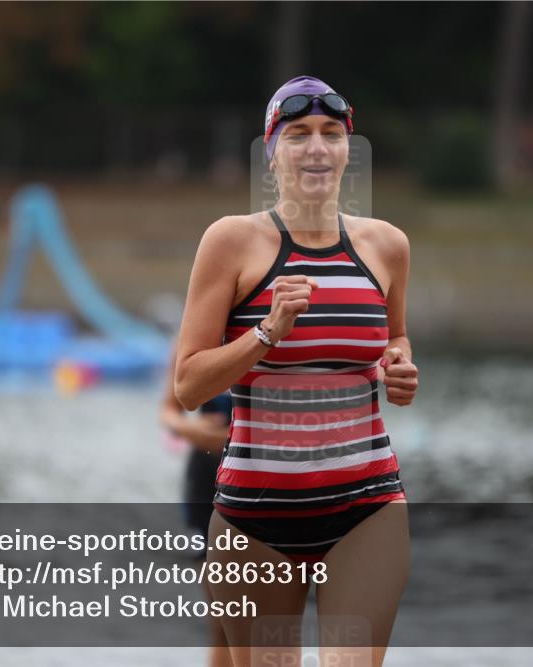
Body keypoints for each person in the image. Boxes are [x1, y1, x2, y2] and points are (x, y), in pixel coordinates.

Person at [173, 75, 419, 667]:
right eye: (299, 134)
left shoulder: (386, 246)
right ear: (271, 151)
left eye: (331, 134)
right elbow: (187, 386)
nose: (316, 148)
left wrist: (402, 365)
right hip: (256, 516)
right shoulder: (232, 241)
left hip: (368, 505)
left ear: (347, 149)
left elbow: (397, 336)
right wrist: (265, 334)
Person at [159, 341, 235, 667]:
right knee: (221, 621)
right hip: (206, 480)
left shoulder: (274, 329)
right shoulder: (197, 336)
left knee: (265, 618)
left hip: (260, 477)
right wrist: (191, 429)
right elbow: (168, 411)